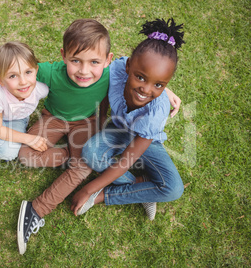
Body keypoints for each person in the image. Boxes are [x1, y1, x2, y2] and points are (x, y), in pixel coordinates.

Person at [0, 19, 181, 255]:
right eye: (75, 61)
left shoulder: (110, 73)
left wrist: (165, 90)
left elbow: (145, 75)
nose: (84, 70)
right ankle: (70, 159)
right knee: (28, 156)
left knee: (84, 165)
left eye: (94, 62)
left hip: (88, 123)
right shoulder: (52, 71)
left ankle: (36, 210)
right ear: (63, 56)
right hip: (54, 118)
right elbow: (15, 68)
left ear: (108, 60)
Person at [70, 18, 186, 222]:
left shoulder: (156, 111)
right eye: (140, 77)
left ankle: (104, 196)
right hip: (119, 129)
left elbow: (126, 161)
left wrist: (89, 190)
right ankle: (140, 185)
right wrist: (100, 121)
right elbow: (105, 95)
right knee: (90, 153)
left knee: (173, 188)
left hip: (146, 140)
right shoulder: (116, 70)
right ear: (128, 66)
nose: (146, 89)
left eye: (159, 85)